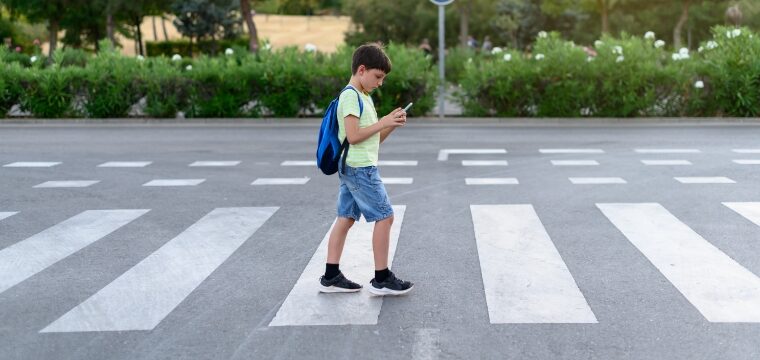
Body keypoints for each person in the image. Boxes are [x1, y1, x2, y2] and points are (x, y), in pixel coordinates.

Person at [318, 43, 414, 296]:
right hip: (360, 169)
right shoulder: (351, 95)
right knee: (385, 217)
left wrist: (390, 124)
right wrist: (382, 121)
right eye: (378, 76)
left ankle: (330, 275)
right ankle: (382, 277)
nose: (380, 82)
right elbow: (353, 135)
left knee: (346, 218)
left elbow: (373, 139)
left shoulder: (364, 97)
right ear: (362, 70)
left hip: (355, 167)